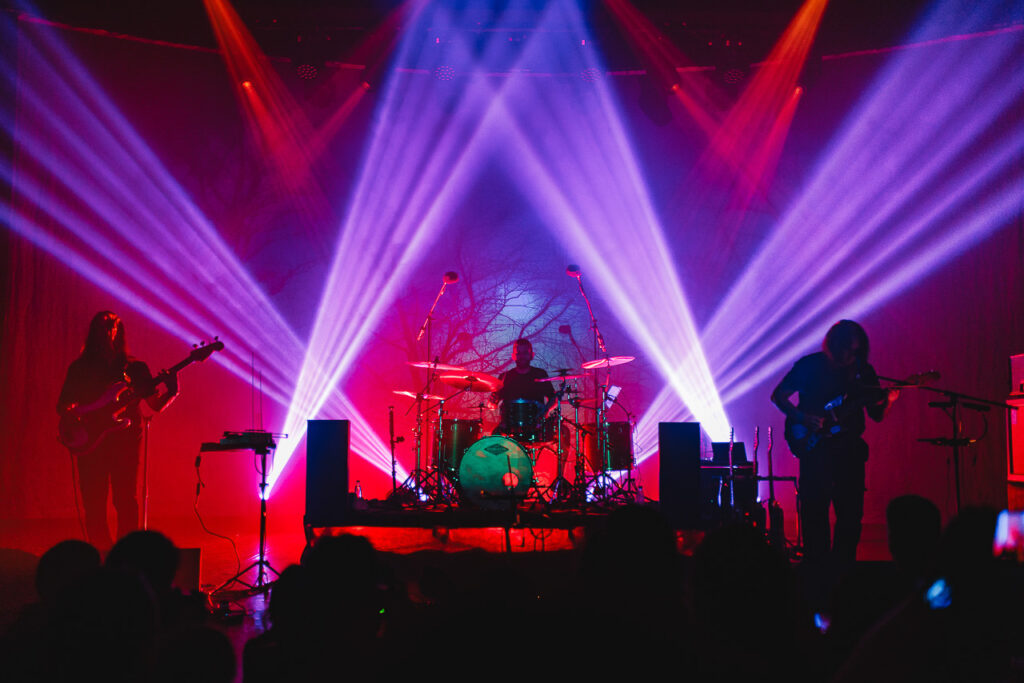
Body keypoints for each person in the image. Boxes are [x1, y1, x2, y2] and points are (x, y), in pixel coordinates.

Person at [771, 320, 898, 571]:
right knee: (814, 509)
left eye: (855, 351)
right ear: (833, 346)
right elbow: (779, 396)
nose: (849, 356)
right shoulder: (810, 365)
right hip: (816, 449)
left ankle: (843, 570)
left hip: (849, 450)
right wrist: (802, 417)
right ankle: (816, 569)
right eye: (846, 349)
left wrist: (890, 400)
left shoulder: (863, 371)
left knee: (850, 513)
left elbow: (877, 415)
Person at [57, 311, 178, 550]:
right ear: (93, 332)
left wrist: (172, 392)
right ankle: (101, 552)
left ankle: (126, 555)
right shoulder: (80, 368)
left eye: (112, 325)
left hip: (126, 442)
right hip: (91, 442)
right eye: (102, 325)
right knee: (94, 503)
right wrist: (78, 414)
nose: (107, 329)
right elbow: (62, 405)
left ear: (118, 332)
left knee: (125, 500)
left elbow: (154, 405)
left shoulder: (135, 368)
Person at [489, 338, 555, 438]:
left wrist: (544, 413)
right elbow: (493, 404)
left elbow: (553, 398)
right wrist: (491, 403)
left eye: (525, 353)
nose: (522, 356)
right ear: (513, 356)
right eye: (518, 353)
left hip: (536, 427)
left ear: (532, 355)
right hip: (508, 429)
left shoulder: (540, 374)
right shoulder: (505, 377)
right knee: (492, 439)